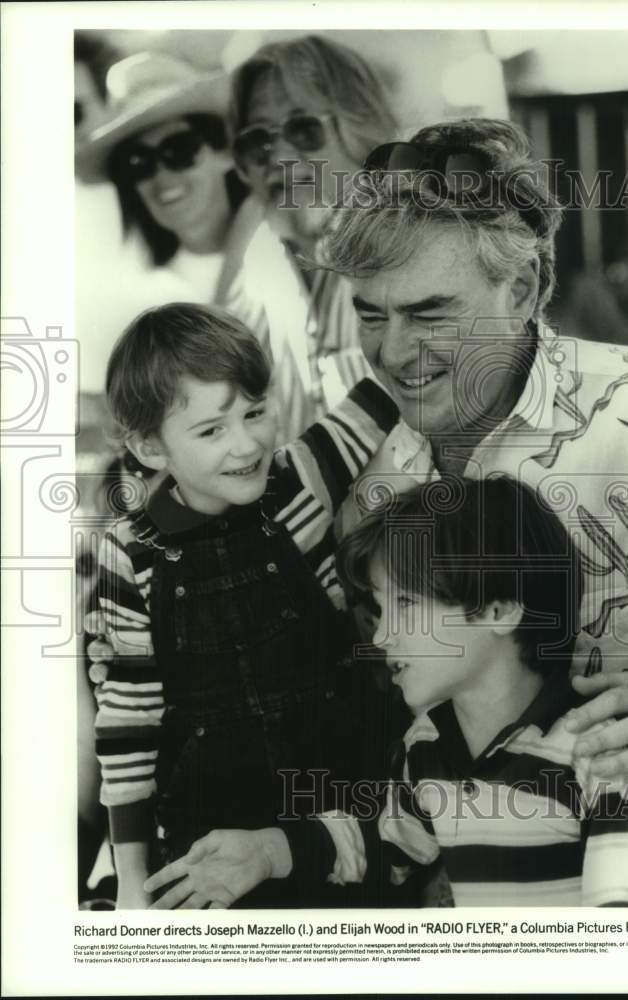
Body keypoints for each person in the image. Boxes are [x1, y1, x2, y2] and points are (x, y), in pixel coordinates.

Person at [312, 118, 628, 801]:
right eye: (372, 316)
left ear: (521, 290)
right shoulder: (350, 457)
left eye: (431, 314)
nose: (396, 352)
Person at [144, 477, 628, 908]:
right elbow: (384, 845)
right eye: (379, 609)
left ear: (499, 609)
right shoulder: (426, 746)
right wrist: (266, 850)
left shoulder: (603, 754)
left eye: (405, 605)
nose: (380, 636)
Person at [86, 302, 398, 909]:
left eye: (255, 412)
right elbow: (127, 727)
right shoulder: (128, 555)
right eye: (211, 430)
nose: (247, 443)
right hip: (210, 847)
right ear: (150, 448)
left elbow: (384, 391)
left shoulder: (301, 478)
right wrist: (130, 882)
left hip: (340, 810)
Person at [221, 35, 399, 443]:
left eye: (302, 129)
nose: (279, 158)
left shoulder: (421, 252)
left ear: (363, 127)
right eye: (256, 140)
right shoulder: (255, 269)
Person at [76, 51, 263, 308]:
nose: (162, 175)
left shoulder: (290, 247)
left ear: (225, 154)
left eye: (179, 151)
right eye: (138, 162)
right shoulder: (144, 300)